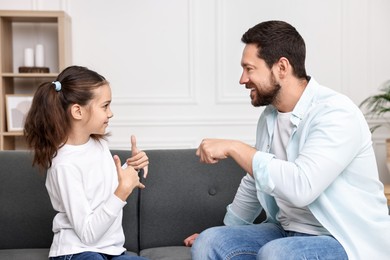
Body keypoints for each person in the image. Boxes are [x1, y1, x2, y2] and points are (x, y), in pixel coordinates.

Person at [185, 20, 390, 259]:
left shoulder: (335, 112)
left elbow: (302, 187)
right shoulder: (269, 117)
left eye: (249, 69)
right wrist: (227, 233)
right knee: (210, 242)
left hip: (344, 238)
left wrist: (234, 147)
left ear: (282, 67)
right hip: (286, 231)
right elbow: (255, 181)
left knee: (277, 254)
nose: (242, 79)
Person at [24, 66, 149, 260]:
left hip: (111, 250)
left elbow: (105, 189)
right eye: (105, 106)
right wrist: (123, 191)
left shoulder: (98, 144)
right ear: (77, 111)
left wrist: (133, 166)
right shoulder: (64, 165)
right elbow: (88, 234)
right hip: (75, 251)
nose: (110, 113)